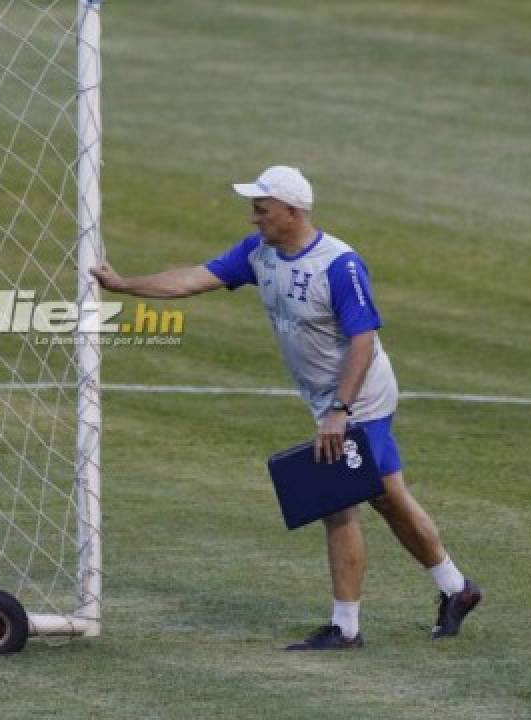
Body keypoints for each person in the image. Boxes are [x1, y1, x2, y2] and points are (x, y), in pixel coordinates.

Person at [90, 165, 481, 650]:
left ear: (292, 212)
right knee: (387, 496)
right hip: (329, 399)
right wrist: (125, 285)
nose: (254, 218)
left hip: (361, 396)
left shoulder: (340, 265)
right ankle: (456, 589)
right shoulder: (259, 255)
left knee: (336, 500)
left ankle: (346, 629)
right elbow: (193, 279)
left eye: (262, 209)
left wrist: (341, 409)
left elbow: (363, 338)